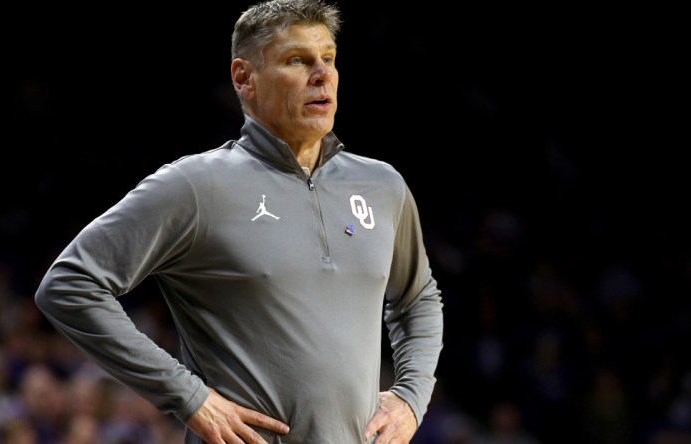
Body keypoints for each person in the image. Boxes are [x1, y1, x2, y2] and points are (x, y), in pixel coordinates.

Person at [34, 0, 444, 442]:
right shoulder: (196, 185)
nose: (322, 74)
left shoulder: (382, 185)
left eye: (328, 59)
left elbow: (417, 297)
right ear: (244, 78)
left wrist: (410, 396)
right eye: (297, 61)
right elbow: (69, 285)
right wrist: (189, 397)